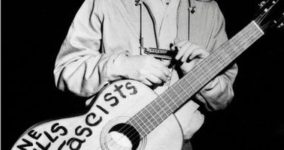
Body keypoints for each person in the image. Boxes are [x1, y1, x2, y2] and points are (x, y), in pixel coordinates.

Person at [53, 0, 238, 149]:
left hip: (179, 145)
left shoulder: (210, 11)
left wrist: (204, 77)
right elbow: (67, 71)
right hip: (105, 142)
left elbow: (223, 100)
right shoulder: (103, 2)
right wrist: (122, 65)